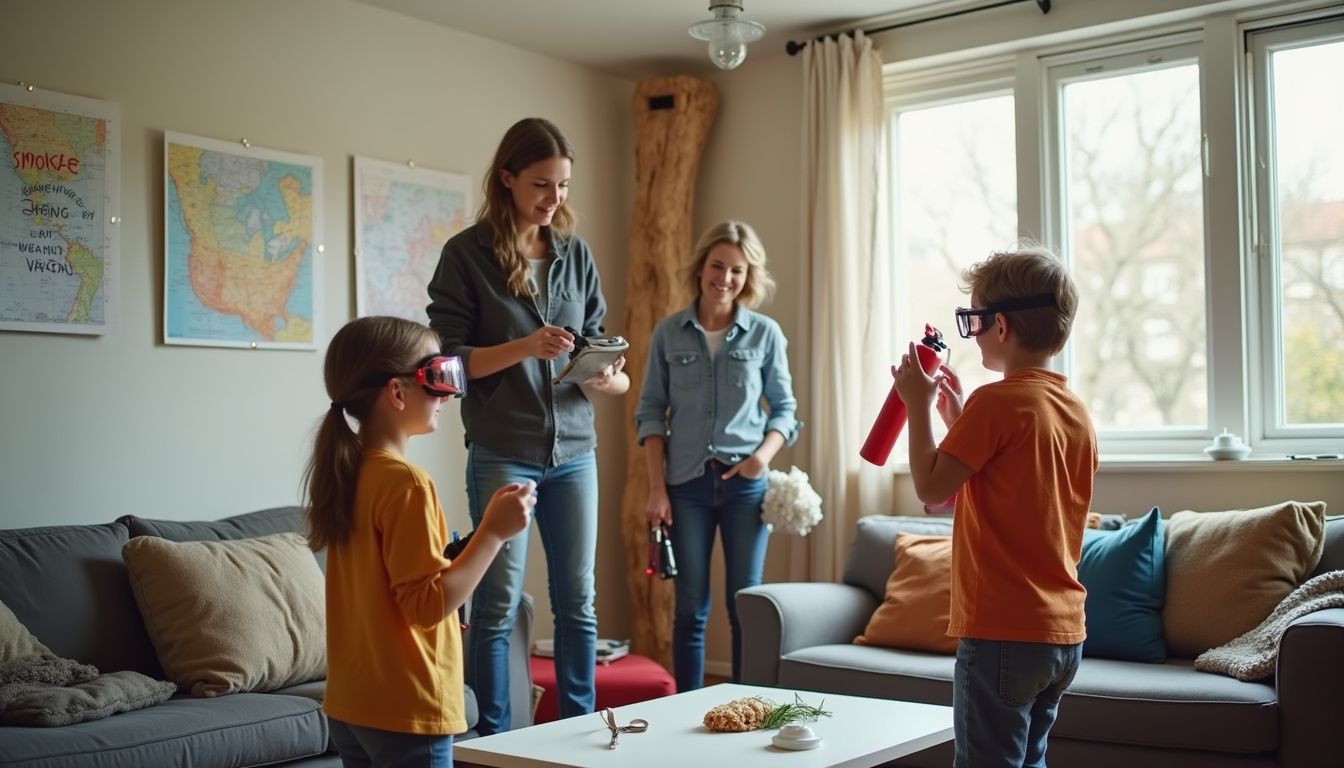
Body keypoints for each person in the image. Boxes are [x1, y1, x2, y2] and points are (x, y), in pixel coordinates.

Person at [426, 117, 629, 733]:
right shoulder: (465, 255)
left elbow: (601, 352)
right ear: (507, 178)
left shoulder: (576, 254)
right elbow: (448, 362)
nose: (554, 198)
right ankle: (495, 743)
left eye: (563, 185)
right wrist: (525, 346)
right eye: (542, 184)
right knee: (498, 605)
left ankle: (579, 736)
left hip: (575, 450)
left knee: (579, 604)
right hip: (503, 450)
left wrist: (604, 375)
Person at [892, 244, 1098, 768]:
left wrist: (917, 405)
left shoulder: (997, 401)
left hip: (1003, 631)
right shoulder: (1075, 412)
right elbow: (1001, 483)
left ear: (1000, 326)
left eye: (974, 320)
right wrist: (958, 417)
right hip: (1061, 635)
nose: (973, 332)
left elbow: (931, 488)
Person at [303, 315, 536, 768]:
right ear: (397, 392)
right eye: (436, 377)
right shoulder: (407, 483)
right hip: (405, 706)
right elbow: (427, 606)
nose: (447, 395)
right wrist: (493, 533)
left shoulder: (349, 472)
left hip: (351, 703)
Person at [634, 220, 801, 692]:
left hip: (745, 486)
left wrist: (761, 458)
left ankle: (745, 709)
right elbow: (650, 413)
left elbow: (785, 409)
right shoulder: (669, 334)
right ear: (701, 267)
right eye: (717, 266)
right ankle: (686, 707)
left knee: (744, 605)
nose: (725, 278)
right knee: (690, 608)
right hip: (684, 486)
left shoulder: (765, 334)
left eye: (737, 270)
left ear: (748, 277)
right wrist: (657, 490)